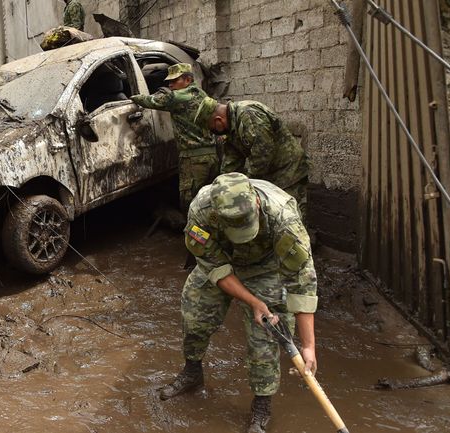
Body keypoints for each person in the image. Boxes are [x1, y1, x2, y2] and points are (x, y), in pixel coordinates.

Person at [161, 172, 318, 433]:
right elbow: (215, 265)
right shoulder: (201, 209)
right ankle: (192, 371)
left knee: (266, 337)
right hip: (223, 263)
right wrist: (252, 301)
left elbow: (302, 283)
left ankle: (262, 405)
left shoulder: (284, 219)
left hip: (266, 268)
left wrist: (309, 347)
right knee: (194, 314)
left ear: (257, 204)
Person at [194, 97, 310, 221]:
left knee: (291, 217)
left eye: (212, 129)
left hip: (289, 171)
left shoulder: (249, 114)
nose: (213, 133)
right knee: (272, 218)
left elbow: (263, 154)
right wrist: (222, 188)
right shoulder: (231, 129)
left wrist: (248, 187)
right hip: (269, 174)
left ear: (218, 120)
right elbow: (231, 162)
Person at [131, 63, 219, 212]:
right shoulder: (202, 94)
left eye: (175, 80)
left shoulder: (175, 98)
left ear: (188, 80)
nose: (170, 85)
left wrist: (132, 96)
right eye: (169, 82)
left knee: (191, 204)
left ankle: (194, 234)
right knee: (211, 200)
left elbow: (148, 101)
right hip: (212, 156)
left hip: (193, 160)